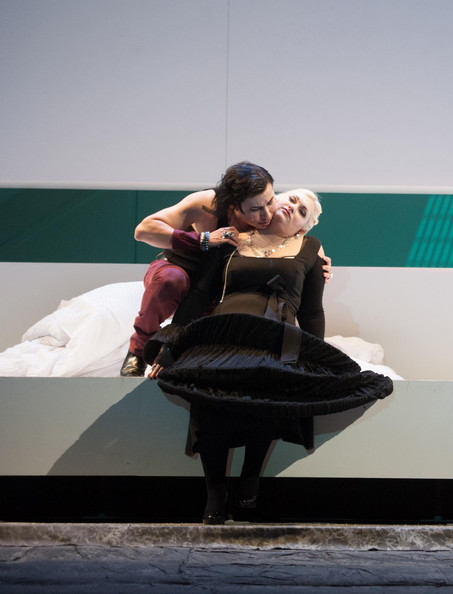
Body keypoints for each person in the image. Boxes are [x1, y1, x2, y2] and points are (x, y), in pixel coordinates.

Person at [148, 189, 392, 524]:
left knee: (267, 393)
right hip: (224, 332)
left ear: (303, 227)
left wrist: (315, 356)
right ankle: (215, 492)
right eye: (290, 199)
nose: (293, 207)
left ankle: (250, 477)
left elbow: (311, 311)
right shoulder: (231, 238)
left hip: (275, 337)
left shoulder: (310, 248)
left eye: (302, 210)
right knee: (210, 403)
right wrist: (171, 344)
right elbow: (201, 293)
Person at [122, 162, 331, 376]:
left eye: (270, 202)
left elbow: (311, 307)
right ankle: (138, 349)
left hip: (223, 298)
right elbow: (143, 231)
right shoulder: (210, 206)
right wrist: (203, 239)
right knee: (172, 280)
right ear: (235, 205)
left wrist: (317, 264)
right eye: (255, 210)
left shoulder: (297, 236)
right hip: (184, 271)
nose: (266, 214)